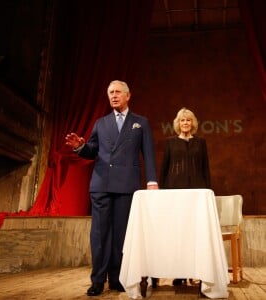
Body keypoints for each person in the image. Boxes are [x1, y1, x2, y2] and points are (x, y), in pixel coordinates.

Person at [65, 80, 158, 296]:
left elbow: (149, 154)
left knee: (121, 235)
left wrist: (152, 181)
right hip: (101, 184)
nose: (113, 96)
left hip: (126, 186)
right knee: (99, 234)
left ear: (128, 95)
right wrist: (81, 146)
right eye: (110, 93)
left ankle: (117, 278)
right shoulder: (101, 123)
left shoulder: (140, 123)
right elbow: (92, 151)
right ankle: (98, 280)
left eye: (117, 92)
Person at [159, 107, 211, 286]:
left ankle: (197, 270)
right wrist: (162, 192)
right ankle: (179, 273)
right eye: (182, 120)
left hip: (197, 192)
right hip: (174, 192)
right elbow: (165, 168)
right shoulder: (170, 142)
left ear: (193, 123)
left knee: (194, 233)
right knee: (178, 233)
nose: (185, 123)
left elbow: (205, 168)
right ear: (177, 123)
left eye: (188, 120)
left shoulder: (201, 142)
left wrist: (208, 191)